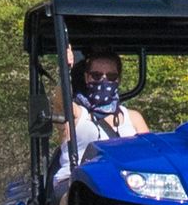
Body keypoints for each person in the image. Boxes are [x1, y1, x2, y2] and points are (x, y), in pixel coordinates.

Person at [55, 50, 148, 189]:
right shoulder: (78, 114)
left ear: (118, 80)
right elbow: (60, 100)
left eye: (111, 77)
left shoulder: (133, 118)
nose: (104, 81)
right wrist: (65, 69)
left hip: (122, 185)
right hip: (75, 184)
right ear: (87, 78)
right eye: (97, 76)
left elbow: (149, 155)